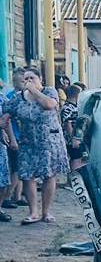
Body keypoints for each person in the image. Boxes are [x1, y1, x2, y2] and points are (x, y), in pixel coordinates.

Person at [1, 67, 69, 224]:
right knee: (27, 176)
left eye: (32, 78)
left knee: (49, 175)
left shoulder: (50, 91)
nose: (28, 81)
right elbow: (6, 112)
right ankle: (33, 212)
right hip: (28, 142)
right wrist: (6, 125)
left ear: (40, 80)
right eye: (26, 79)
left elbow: (49, 105)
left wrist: (34, 91)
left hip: (49, 142)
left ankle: (46, 212)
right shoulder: (19, 98)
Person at [2, 69, 25, 209]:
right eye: (23, 81)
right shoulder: (11, 97)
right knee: (16, 168)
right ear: (16, 82)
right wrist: (12, 139)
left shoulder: (24, 95)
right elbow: (8, 119)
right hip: (15, 136)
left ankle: (17, 196)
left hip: (22, 137)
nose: (25, 83)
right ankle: (7, 196)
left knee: (21, 168)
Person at [61, 83, 84, 171]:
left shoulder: (75, 107)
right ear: (77, 95)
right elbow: (67, 124)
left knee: (79, 157)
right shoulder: (68, 108)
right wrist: (73, 138)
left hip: (76, 138)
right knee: (76, 158)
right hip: (71, 140)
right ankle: (74, 173)